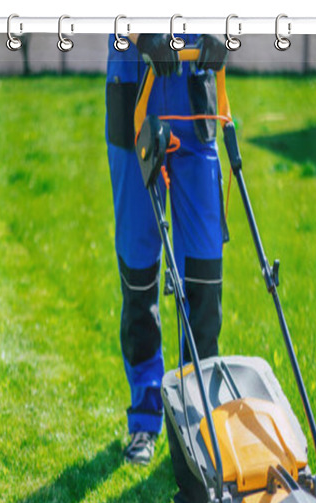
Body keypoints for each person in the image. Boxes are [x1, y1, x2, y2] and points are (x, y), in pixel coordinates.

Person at [106, 33, 229, 465]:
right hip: (136, 87)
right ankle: (145, 418)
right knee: (139, 271)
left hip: (194, 94)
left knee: (203, 273)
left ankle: (199, 422)